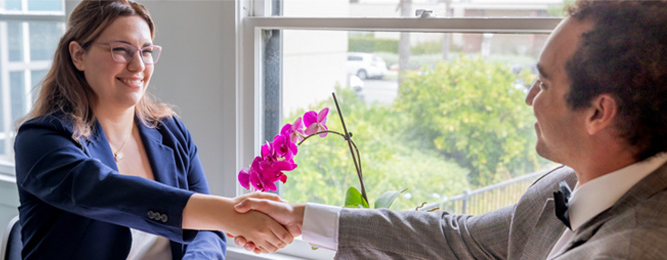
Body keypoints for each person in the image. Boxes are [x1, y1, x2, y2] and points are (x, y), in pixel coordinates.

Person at [233, 0, 667, 259]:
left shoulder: (634, 247)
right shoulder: (562, 184)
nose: (529, 97)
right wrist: (302, 218)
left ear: (598, 112)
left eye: (546, 83)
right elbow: (457, 240)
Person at [14, 1, 292, 259]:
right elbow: (111, 193)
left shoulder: (169, 131)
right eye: (120, 50)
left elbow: (208, 232)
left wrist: (220, 224)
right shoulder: (41, 139)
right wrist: (230, 213)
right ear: (78, 55)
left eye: (146, 51)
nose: (138, 66)